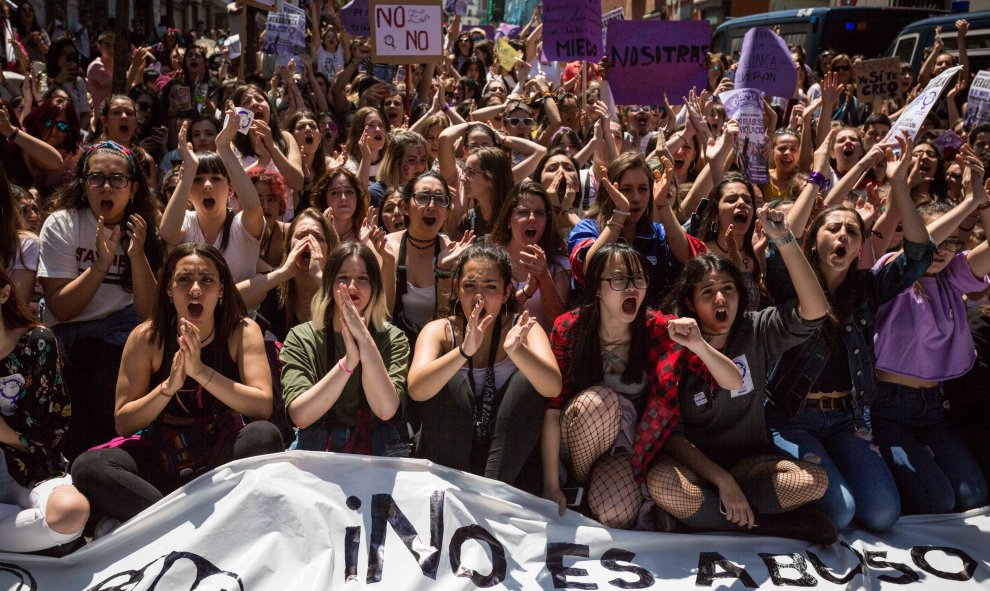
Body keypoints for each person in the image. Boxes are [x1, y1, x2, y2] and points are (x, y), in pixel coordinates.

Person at [765, 132, 936, 532]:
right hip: (791, 419)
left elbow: (918, 255)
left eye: (852, 232)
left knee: (881, 514)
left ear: (860, 247)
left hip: (843, 420)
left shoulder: (867, 289)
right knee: (840, 512)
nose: (842, 235)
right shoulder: (788, 279)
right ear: (812, 242)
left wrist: (898, 184)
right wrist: (817, 176)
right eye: (832, 228)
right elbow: (779, 242)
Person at [650, 206, 834, 544]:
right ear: (690, 303)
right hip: (696, 466)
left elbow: (815, 312)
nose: (721, 299)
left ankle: (705, 520)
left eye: (729, 290)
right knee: (663, 486)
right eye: (708, 292)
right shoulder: (674, 341)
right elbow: (672, 437)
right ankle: (768, 525)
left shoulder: (756, 328)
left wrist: (784, 239)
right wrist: (721, 480)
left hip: (749, 462)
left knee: (814, 483)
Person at [70, 244, 283, 524]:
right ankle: (177, 521)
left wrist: (200, 371)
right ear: (169, 289)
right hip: (162, 452)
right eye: (184, 280)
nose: (195, 289)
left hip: (219, 455)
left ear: (221, 290)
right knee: (88, 468)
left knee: (263, 436)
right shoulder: (146, 337)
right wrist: (168, 386)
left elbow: (262, 406)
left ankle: (160, 522)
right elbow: (124, 422)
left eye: (207, 280)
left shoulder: (242, 331)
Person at [543, 243, 742, 527]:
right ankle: (575, 483)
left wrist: (699, 345)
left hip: (628, 445)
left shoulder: (659, 328)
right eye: (619, 279)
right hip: (579, 434)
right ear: (597, 288)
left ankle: (597, 495)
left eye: (638, 279)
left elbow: (732, 381)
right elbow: (552, 410)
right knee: (600, 403)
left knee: (617, 513)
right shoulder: (569, 328)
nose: (631, 288)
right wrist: (551, 485)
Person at [872, 163, 990, 514]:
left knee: (973, 497)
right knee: (939, 500)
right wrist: (968, 202)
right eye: (937, 240)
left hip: (934, 409)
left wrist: (982, 203)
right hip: (887, 408)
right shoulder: (891, 269)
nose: (943, 250)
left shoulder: (953, 277)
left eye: (953, 244)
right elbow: (917, 252)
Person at [408, 242, 561, 489]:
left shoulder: (523, 327)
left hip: (503, 458)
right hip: (449, 457)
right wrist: (462, 352)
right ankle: (458, 491)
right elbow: (417, 389)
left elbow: (552, 387)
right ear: (457, 289)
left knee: (527, 381)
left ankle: (490, 495)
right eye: (470, 286)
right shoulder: (439, 330)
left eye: (490, 287)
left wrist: (517, 351)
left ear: (507, 292)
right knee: (449, 380)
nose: (479, 296)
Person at [280, 242, 410, 455]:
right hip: (318, 441)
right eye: (343, 278)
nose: (352, 288)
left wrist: (364, 342)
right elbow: (300, 416)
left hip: (378, 441)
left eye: (362, 279)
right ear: (329, 285)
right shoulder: (301, 336)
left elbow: (386, 410)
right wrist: (348, 363)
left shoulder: (393, 337)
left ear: (375, 288)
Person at [0, 265, 90, 553]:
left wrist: (5, 433)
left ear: (4, 293)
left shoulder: (37, 342)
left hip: (29, 466)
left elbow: (50, 428)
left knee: (70, 513)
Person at [569, 153, 696, 309]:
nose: (636, 197)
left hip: (651, 327)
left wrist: (662, 203)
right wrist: (620, 213)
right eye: (626, 189)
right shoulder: (588, 228)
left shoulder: (658, 233)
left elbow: (689, 257)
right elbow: (590, 269)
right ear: (609, 190)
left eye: (643, 189)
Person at [159, 112, 264, 284]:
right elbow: (168, 233)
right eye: (198, 180)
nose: (207, 185)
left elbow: (253, 208)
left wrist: (223, 147)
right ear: (188, 192)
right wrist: (188, 172)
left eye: (215, 179)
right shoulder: (184, 221)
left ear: (230, 190)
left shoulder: (242, 224)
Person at [380, 171, 472, 345]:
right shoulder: (386, 247)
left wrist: (444, 272)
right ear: (405, 206)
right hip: (393, 344)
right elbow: (383, 316)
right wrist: (387, 264)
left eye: (440, 199)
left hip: (437, 343)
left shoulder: (451, 251)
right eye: (422, 197)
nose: (431, 206)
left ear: (447, 210)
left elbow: (449, 321)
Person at [489, 180, 569, 330]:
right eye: (523, 212)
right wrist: (527, 293)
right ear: (508, 220)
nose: (532, 218)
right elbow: (489, 318)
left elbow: (559, 323)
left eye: (539, 213)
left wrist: (544, 277)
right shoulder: (489, 261)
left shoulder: (560, 263)